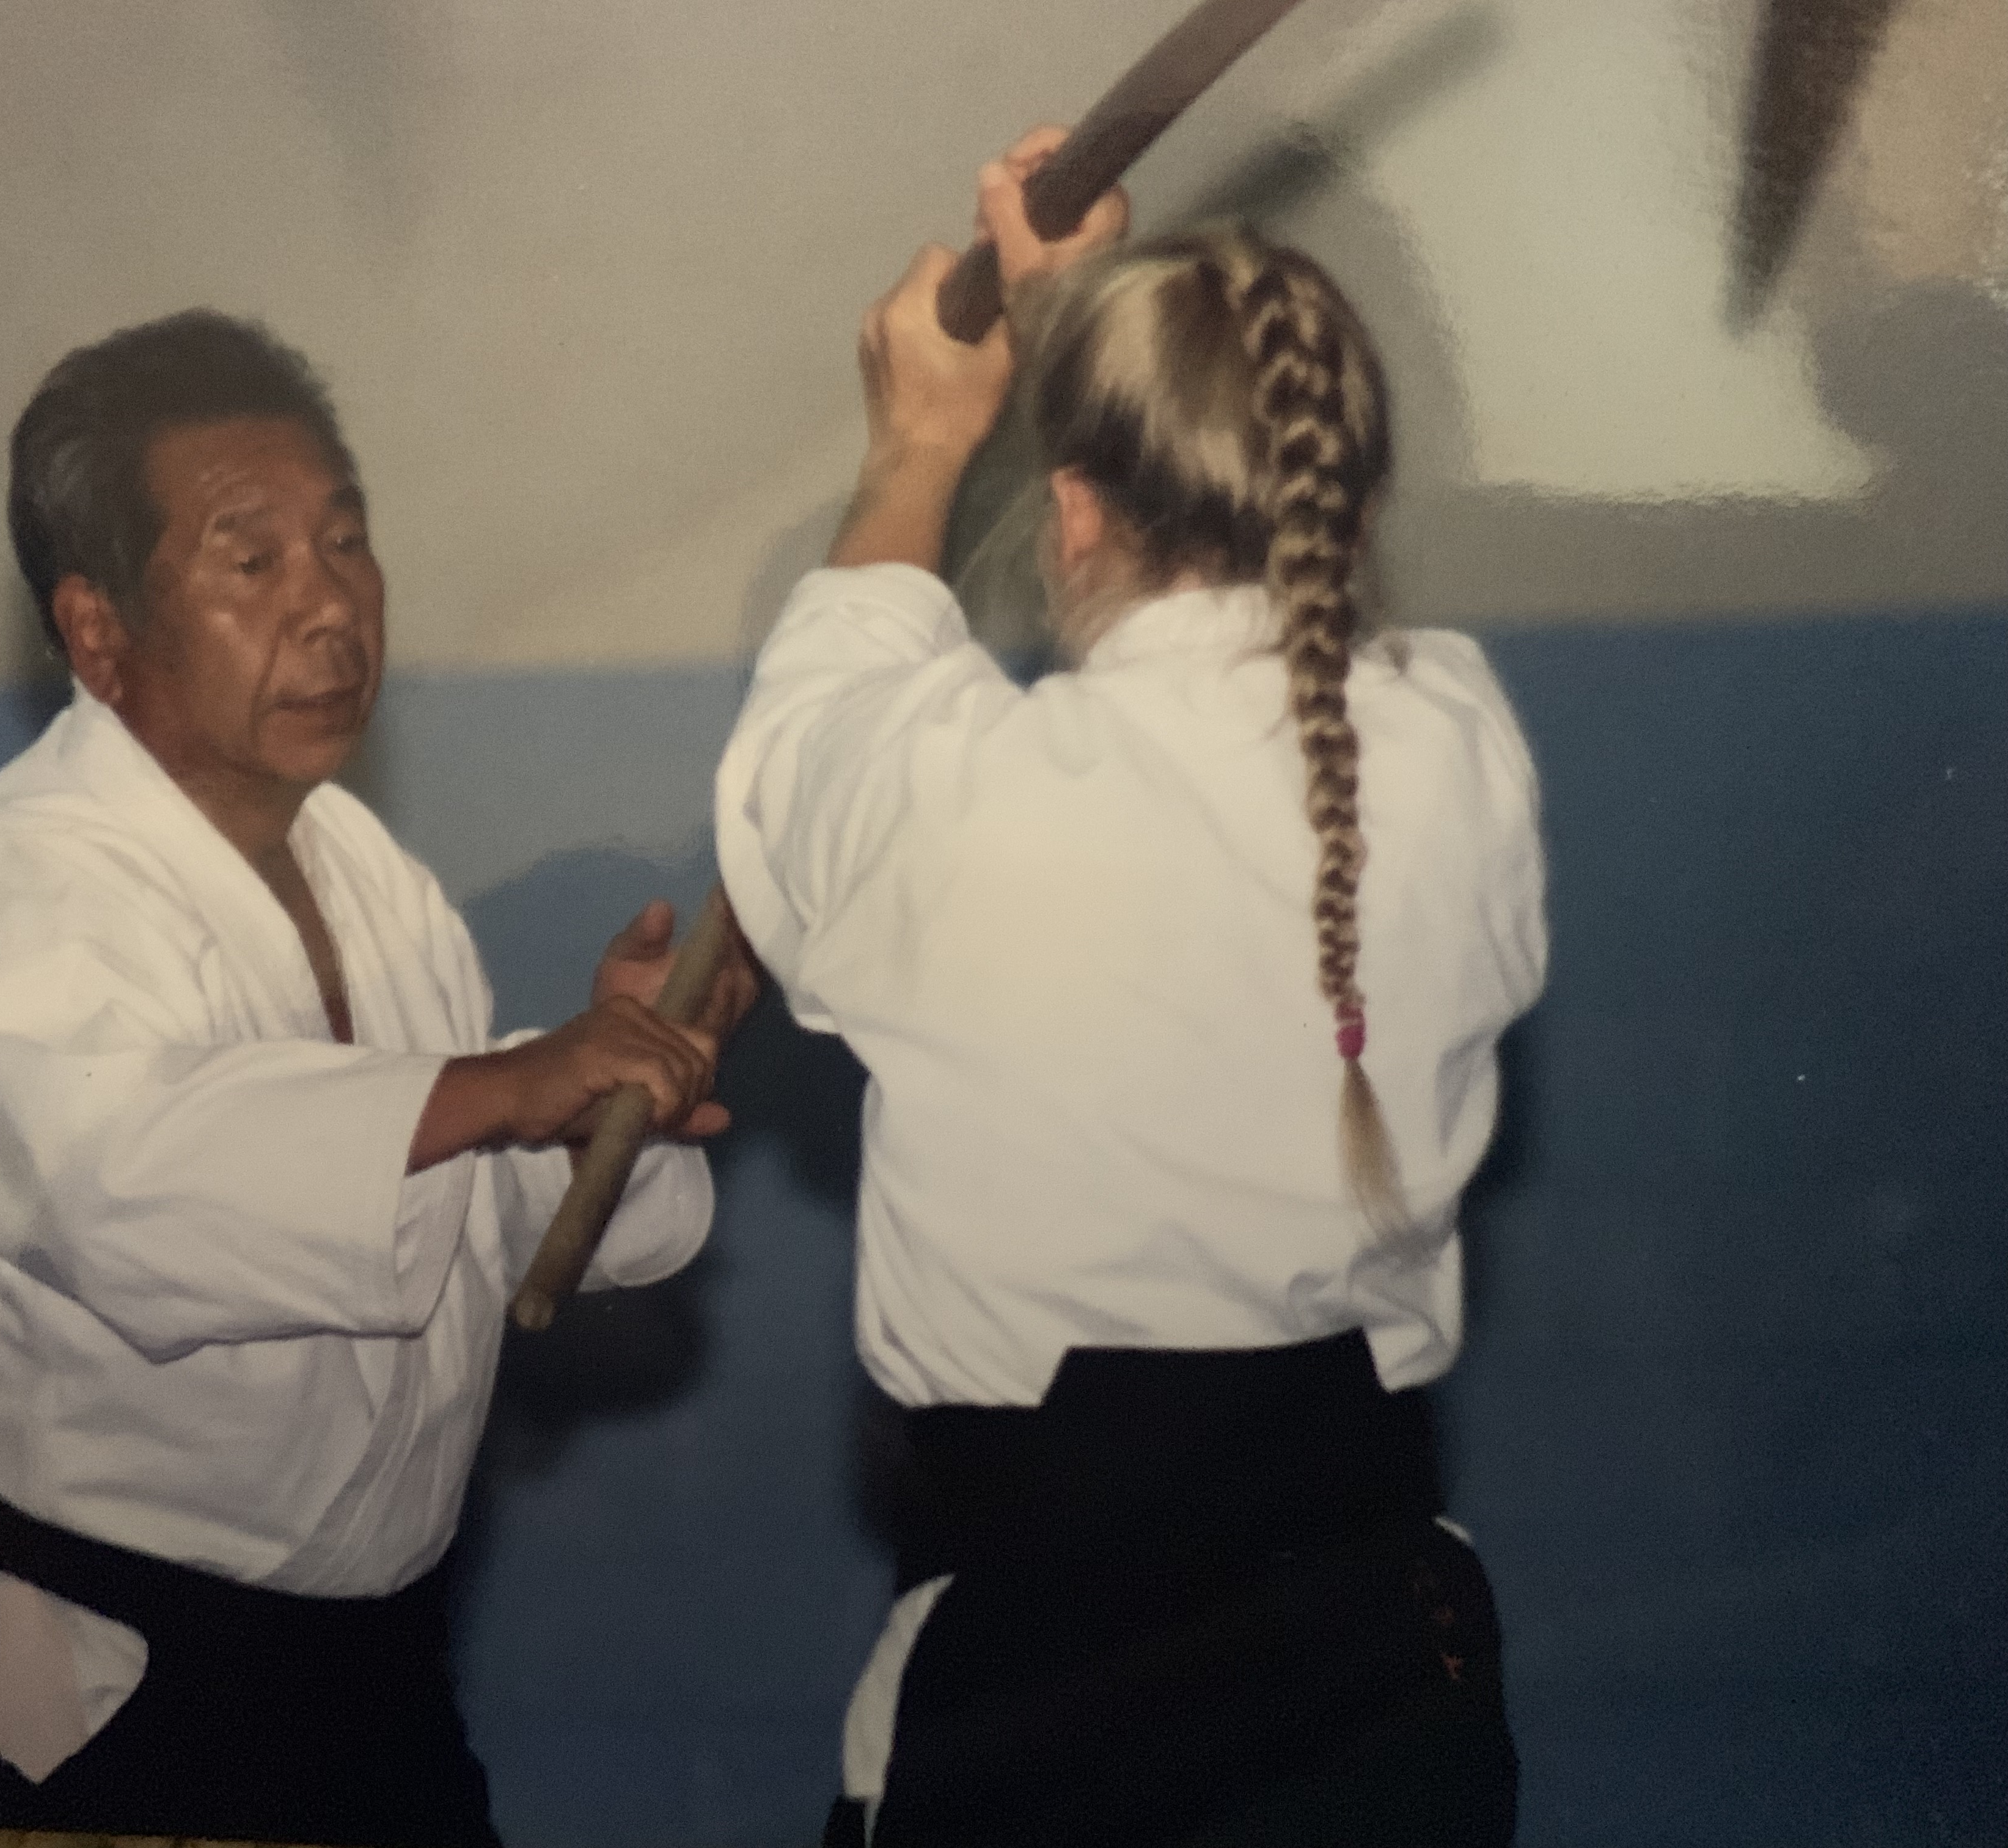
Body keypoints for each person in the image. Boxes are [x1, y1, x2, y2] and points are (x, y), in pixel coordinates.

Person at [716, 130, 1547, 1846]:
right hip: (1383, 1682)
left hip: (1056, 1697)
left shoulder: (961, 799)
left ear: (1076, 508)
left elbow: (814, 746)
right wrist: (1089, 326)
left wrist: (922, 438)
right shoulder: (1460, 752)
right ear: (1342, 499)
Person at [0, 310, 755, 1847]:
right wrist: (506, 1084)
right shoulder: (28, 881)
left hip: (358, 1658)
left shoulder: (362, 872)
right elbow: (132, 1186)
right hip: (97, 1657)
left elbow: (443, 1224)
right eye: (254, 560)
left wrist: (605, 1095)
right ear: (98, 632)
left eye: (347, 542)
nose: (332, 605)